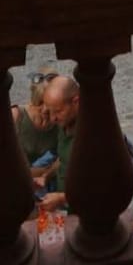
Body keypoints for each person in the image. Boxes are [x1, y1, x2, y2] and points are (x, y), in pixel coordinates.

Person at [11, 69, 59, 199]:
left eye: (49, 104)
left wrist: (46, 174)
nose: (44, 110)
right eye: (39, 103)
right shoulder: (16, 116)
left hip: (37, 174)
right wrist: (43, 172)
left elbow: (64, 157)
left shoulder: (59, 120)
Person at [39, 75, 80, 213]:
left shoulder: (91, 134)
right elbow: (63, 159)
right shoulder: (65, 122)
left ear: (76, 101)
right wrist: (45, 176)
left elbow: (98, 186)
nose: (53, 118)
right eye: (50, 111)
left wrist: (61, 198)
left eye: (57, 111)